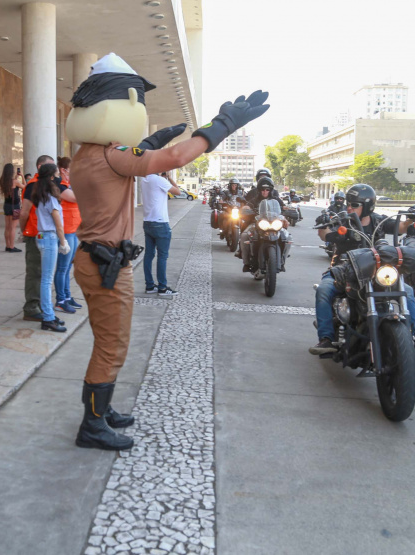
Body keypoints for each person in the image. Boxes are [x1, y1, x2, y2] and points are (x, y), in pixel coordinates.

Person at [66, 52, 269, 450]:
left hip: (92, 258)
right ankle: (92, 425)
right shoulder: (111, 155)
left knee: (107, 341)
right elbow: (174, 158)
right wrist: (223, 124)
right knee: (112, 345)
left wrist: (147, 144)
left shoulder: (85, 156)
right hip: (105, 262)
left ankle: (102, 411)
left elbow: (132, 161)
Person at [309, 183, 415, 356]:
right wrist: (323, 224)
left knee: (407, 291)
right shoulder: (343, 221)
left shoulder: (379, 221)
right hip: (344, 268)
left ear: (367, 206)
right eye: (349, 203)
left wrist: (411, 218)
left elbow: (401, 227)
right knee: (324, 290)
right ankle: (326, 338)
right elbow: (325, 235)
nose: (349, 207)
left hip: (376, 269)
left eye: (354, 204)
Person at [19, 155, 76, 322]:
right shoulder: (34, 186)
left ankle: (42, 308)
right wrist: (24, 231)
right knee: (37, 274)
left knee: (43, 275)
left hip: (41, 234)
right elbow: (24, 212)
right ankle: (33, 308)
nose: (57, 174)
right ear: (41, 168)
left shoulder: (44, 187)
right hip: (37, 234)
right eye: (52, 169)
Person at [142, 171, 181, 297]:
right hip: (160, 223)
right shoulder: (160, 180)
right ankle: (162, 287)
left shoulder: (144, 180)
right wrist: (169, 177)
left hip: (147, 222)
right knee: (162, 256)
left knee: (148, 255)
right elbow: (178, 192)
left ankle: (149, 286)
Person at [240, 177, 285, 271]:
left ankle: (282, 259)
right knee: (244, 236)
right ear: (259, 190)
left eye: (267, 189)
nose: (265, 191)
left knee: (287, 237)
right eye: (263, 189)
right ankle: (246, 262)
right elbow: (248, 206)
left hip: (274, 225)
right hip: (257, 224)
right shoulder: (254, 200)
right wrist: (246, 209)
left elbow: (284, 207)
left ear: (270, 190)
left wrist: (289, 209)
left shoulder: (276, 200)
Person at [55, 156, 82, 313]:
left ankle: (67, 296)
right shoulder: (59, 185)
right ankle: (61, 300)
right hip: (65, 232)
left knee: (67, 267)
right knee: (62, 267)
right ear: (64, 170)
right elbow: (76, 197)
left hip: (73, 231)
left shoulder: (69, 185)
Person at [0, 162, 23, 252]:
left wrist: (16, 178)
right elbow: (25, 187)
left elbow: (11, 186)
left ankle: (8, 245)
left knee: (7, 227)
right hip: (15, 206)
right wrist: (22, 177)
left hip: (7, 205)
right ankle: (12, 246)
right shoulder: (15, 182)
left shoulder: (2, 181)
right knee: (13, 227)